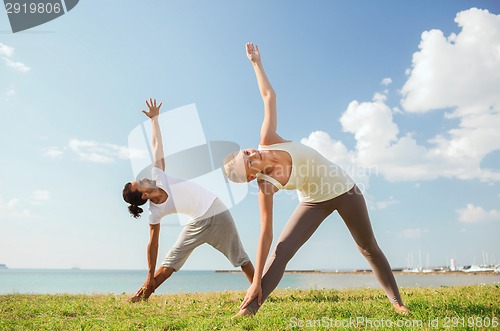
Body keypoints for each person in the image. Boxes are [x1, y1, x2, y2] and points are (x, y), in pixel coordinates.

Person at [223, 43, 408, 316]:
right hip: (313, 202)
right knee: (282, 250)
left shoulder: (268, 140)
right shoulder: (265, 186)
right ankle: (250, 308)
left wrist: (255, 63)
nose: (253, 157)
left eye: (247, 153)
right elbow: (266, 234)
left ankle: (398, 303)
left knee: (368, 247)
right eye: (249, 164)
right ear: (252, 177)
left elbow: (268, 95)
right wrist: (256, 280)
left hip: (344, 189)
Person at [123, 98, 254, 302]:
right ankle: (140, 297)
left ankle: (259, 291)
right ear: (144, 195)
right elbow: (153, 243)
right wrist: (149, 276)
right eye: (140, 182)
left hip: (216, 211)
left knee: (241, 258)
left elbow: (158, 145)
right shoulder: (154, 212)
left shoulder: (158, 175)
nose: (144, 177)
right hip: (196, 223)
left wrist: (154, 120)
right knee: (169, 264)